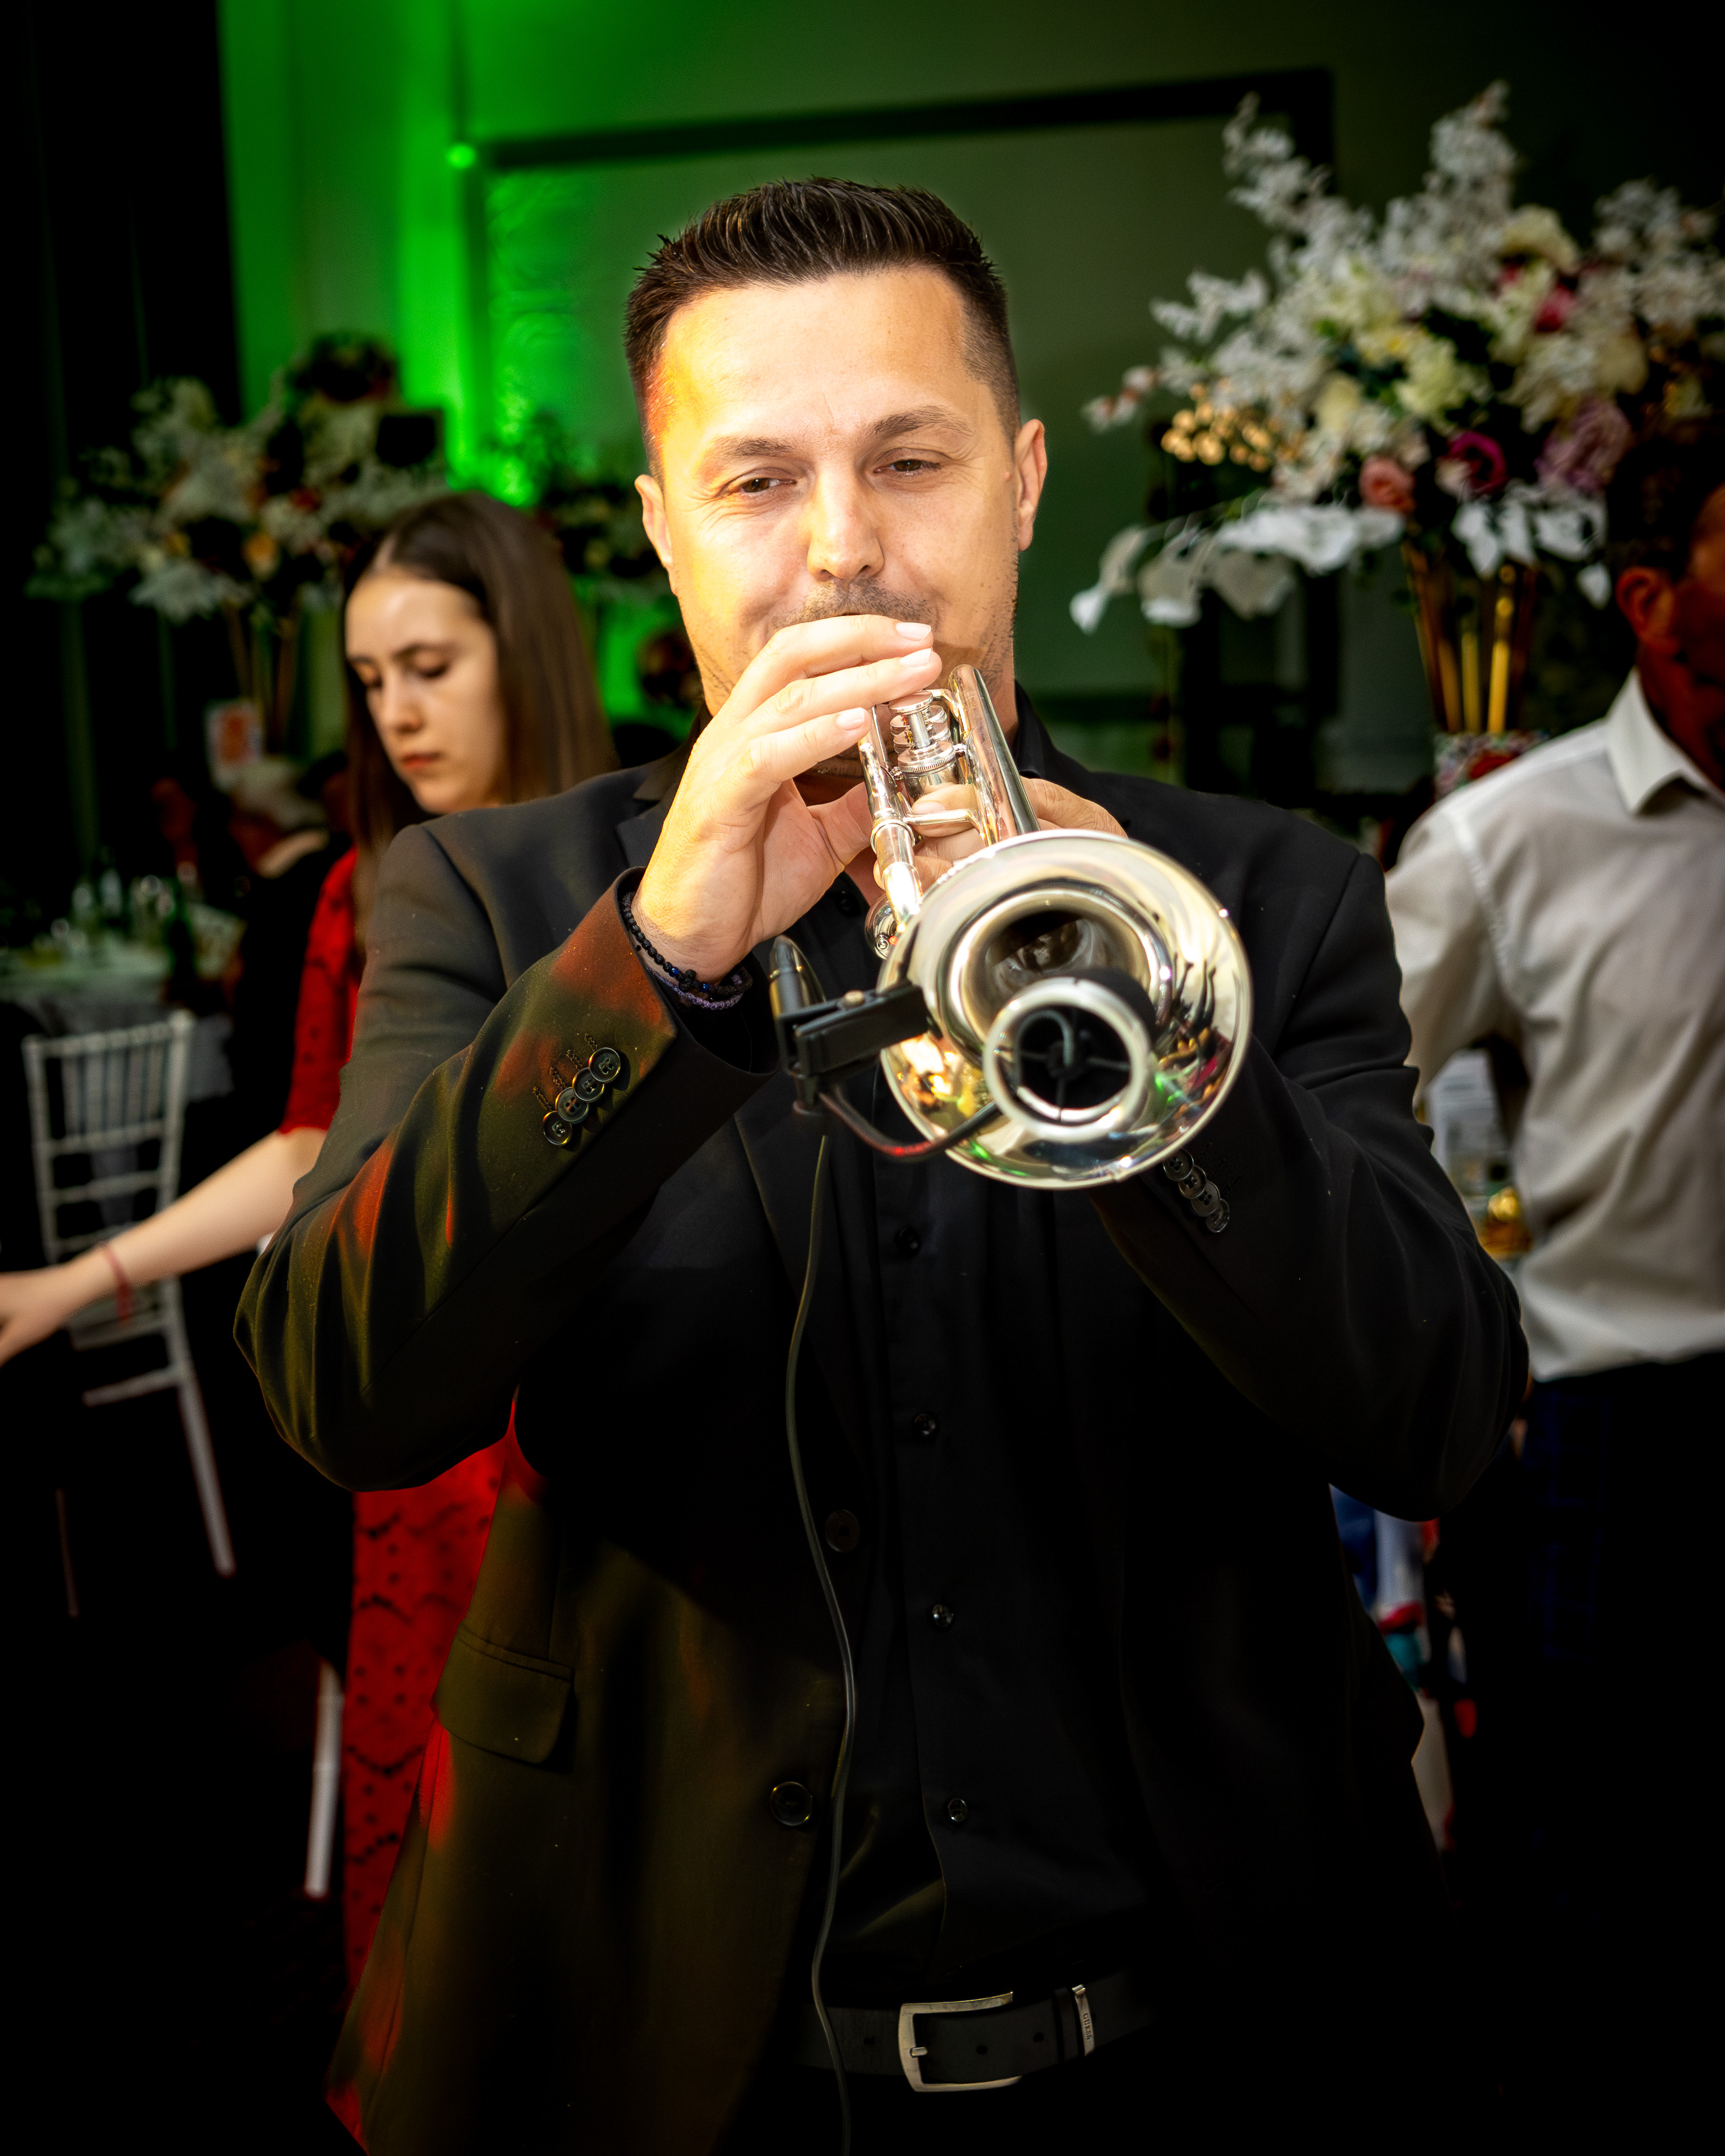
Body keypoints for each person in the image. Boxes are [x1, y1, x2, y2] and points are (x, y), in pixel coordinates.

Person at [239, 182, 1523, 2154]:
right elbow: (344, 1391)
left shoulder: (1261, 891)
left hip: (1216, 2028)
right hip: (662, 2052)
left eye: (911, 460)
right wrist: (656, 968)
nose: (841, 544)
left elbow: (1435, 1415)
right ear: (665, 532)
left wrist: (1159, 1045)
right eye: (757, 480)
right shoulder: (490, 898)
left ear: (1022, 485)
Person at [0, 487, 612, 1981]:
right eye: (372, 678)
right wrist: (76, 1280)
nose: (396, 713)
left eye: (431, 666)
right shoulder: (367, 884)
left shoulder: (654, 855)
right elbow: (310, 1150)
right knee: (461, 1869)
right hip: (439, 1412)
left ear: (523, 652)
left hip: (620, 1398)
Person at [1386, 422, 1725, 2115]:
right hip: (1618, 1427)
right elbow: (1350, 1110)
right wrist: (1467, 1347)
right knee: (1591, 1871)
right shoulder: (1508, 841)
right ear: (1654, 600)